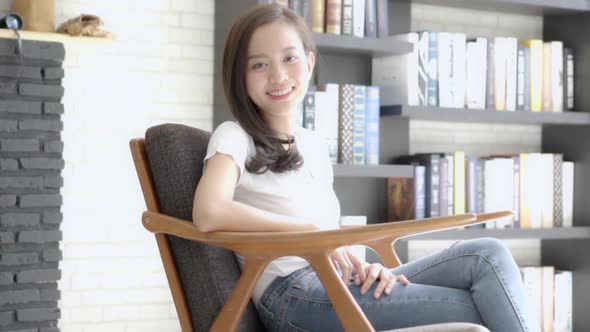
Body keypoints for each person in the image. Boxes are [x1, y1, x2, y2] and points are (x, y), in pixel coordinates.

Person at [193, 4, 537, 332]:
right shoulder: (235, 136)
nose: (278, 75)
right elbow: (208, 212)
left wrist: (368, 267)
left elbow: (332, 241)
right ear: (239, 75)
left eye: (289, 58)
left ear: (309, 63)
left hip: (337, 281)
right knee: (492, 302)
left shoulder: (312, 143)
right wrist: (309, 231)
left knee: (486, 254)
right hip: (292, 295)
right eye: (259, 65)